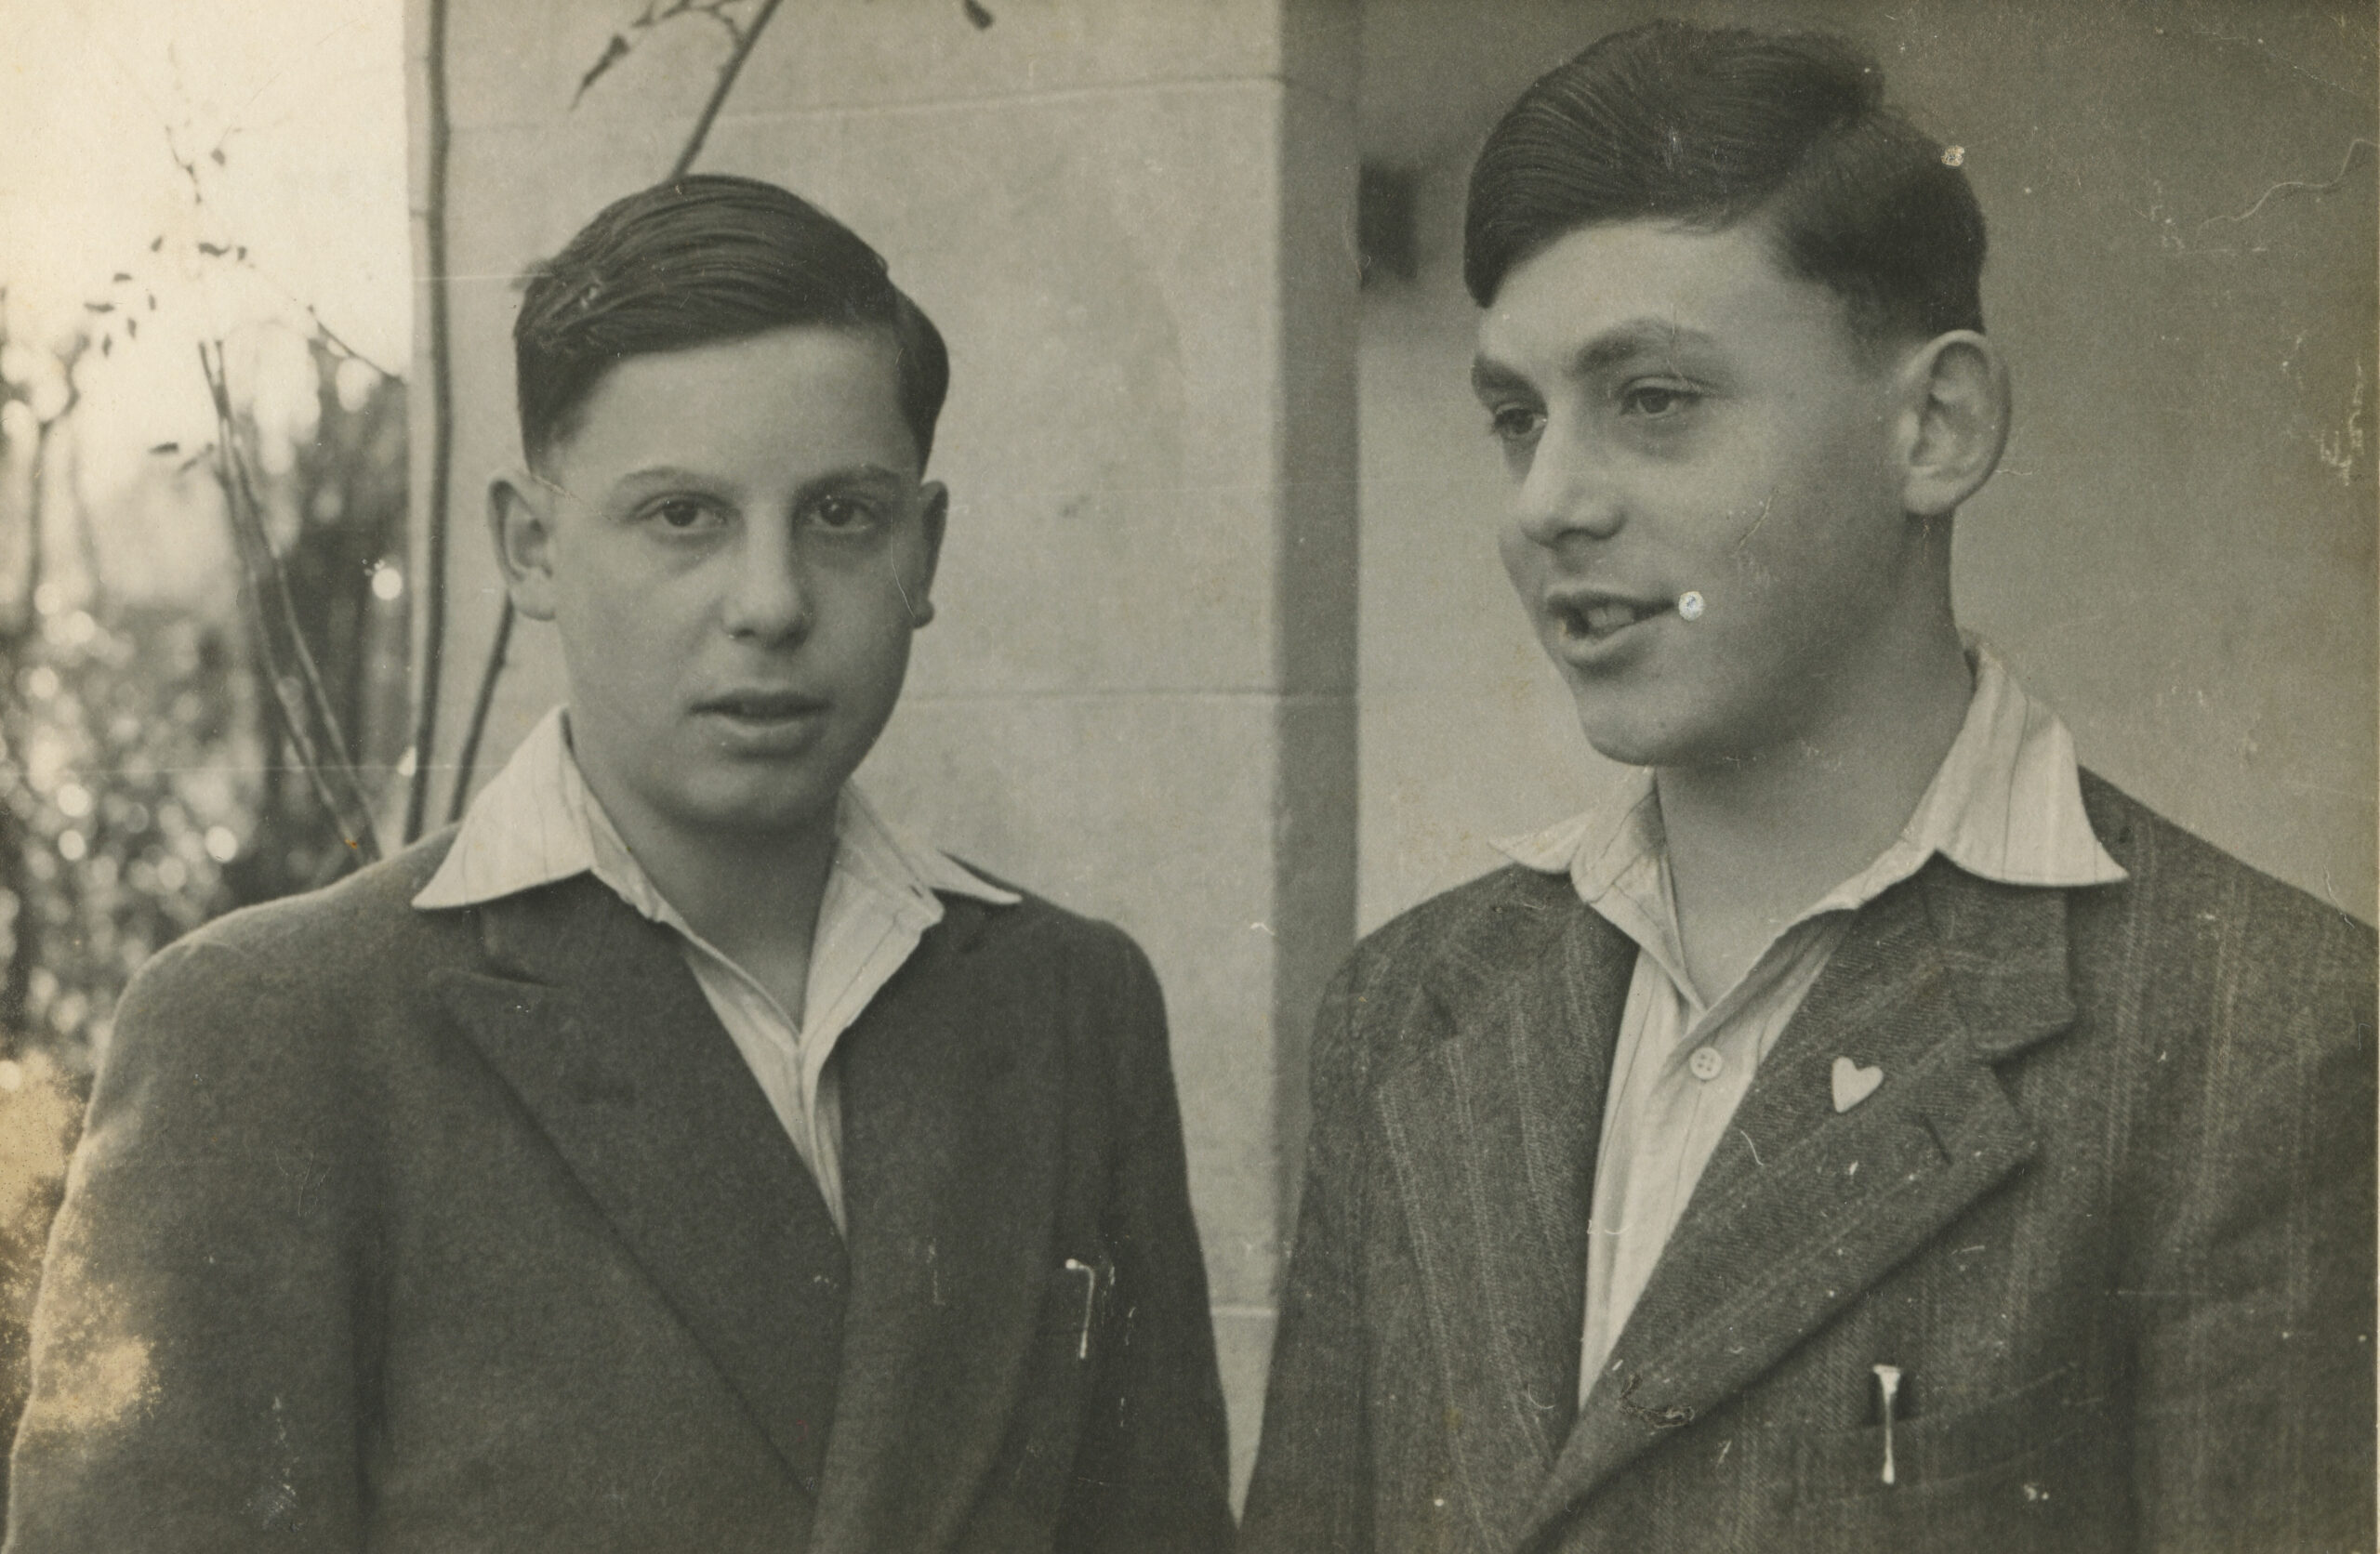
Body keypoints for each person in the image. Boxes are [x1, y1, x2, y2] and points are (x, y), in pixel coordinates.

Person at [1240, 21, 2374, 1553]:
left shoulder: (2265, 1033)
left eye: (1652, 398)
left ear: (1937, 426)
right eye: (1519, 419)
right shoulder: (1413, 1005)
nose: (1549, 504)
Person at [6, 174, 1234, 1552]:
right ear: (531, 547)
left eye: (841, 516)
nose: (769, 605)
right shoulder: (278, 1027)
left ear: (925, 549)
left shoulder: (1067, 1004)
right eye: (682, 518)